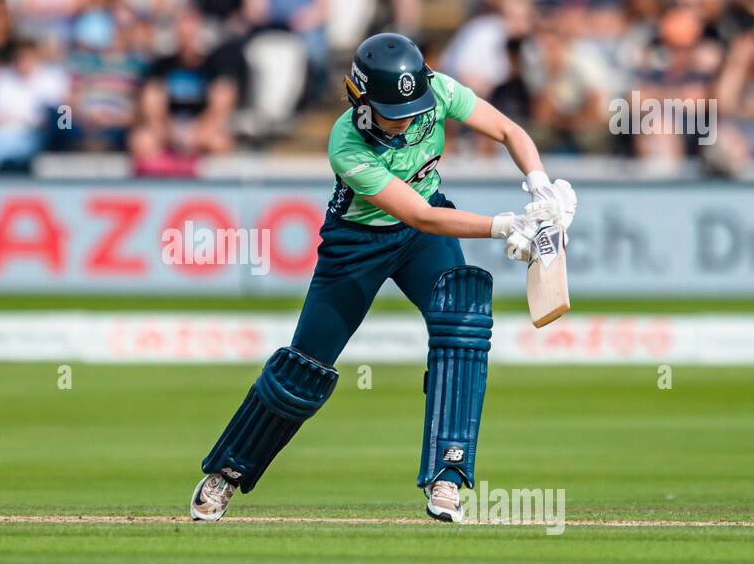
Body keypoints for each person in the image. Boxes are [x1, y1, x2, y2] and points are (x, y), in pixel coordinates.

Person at [189, 32, 577, 523]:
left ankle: (447, 478)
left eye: (414, 106)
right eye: (396, 110)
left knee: (463, 323)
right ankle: (227, 471)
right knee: (304, 368)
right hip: (359, 242)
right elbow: (420, 216)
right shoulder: (346, 144)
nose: (410, 119)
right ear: (362, 99)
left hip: (422, 236)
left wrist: (539, 185)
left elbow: (507, 130)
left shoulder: (436, 92)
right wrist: (507, 226)